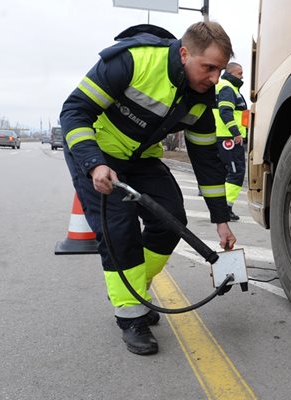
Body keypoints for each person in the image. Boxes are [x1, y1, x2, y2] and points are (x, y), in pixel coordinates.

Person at [59, 22, 237, 356]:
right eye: (209, 68)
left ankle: (135, 290)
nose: (215, 78)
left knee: (171, 220)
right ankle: (130, 316)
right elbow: (74, 111)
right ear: (184, 54)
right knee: (119, 227)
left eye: (221, 70)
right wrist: (94, 163)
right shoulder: (133, 61)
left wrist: (221, 219)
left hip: (140, 159)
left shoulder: (200, 100)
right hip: (96, 152)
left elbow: (207, 162)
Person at [213, 62, 248, 221]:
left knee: (231, 173)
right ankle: (224, 209)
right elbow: (225, 112)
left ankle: (225, 208)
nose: (242, 76)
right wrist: (235, 133)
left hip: (230, 137)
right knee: (236, 173)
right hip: (229, 138)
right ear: (231, 73)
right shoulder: (227, 88)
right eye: (239, 73)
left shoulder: (231, 88)